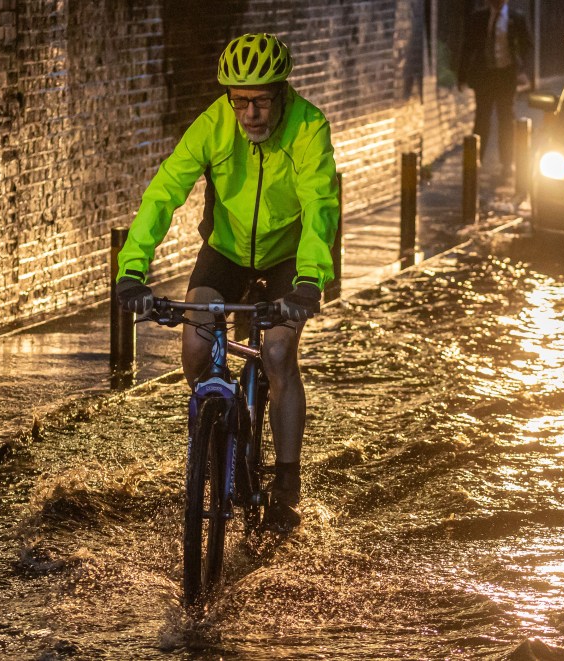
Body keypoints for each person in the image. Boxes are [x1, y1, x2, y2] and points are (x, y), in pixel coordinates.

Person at [115, 33, 340, 533]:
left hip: (289, 256)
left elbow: (321, 206)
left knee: (279, 353)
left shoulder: (308, 127)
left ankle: (286, 481)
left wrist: (309, 281)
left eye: (260, 101)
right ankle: (217, 434)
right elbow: (163, 192)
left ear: (282, 93)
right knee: (195, 349)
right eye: (240, 102)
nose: (250, 114)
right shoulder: (214, 125)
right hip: (227, 252)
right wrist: (132, 268)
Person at [458, 0, 533, 182]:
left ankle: (507, 163)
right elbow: (468, 47)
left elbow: (527, 46)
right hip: (484, 76)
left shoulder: (516, 18)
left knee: (506, 118)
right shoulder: (479, 18)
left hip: (506, 76)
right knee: (482, 118)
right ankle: (477, 160)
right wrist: (462, 76)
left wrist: (524, 71)